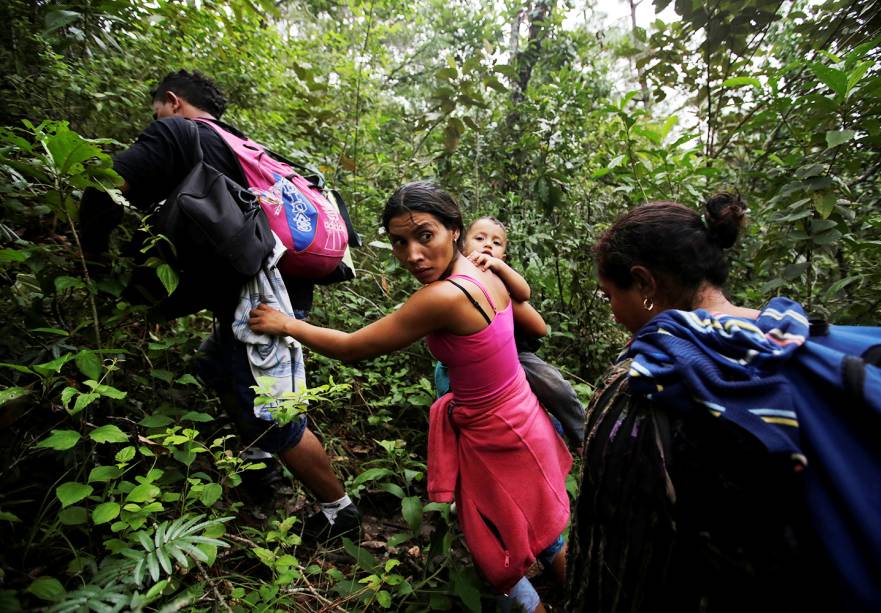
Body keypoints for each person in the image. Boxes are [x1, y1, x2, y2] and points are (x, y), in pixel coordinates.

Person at [249, 181, 572, 613]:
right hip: (523, 416)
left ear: (454, 230)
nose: (412, 256)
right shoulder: (486, 272)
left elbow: (352, 347)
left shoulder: (442, 296)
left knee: (497, 549)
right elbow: (531, 320)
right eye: (400, 242)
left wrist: (287, 324)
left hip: (494, 434)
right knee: (542, 529)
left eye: (425, 236)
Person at [79, 70, 360, 541]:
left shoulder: (179, 133)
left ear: (171, 102)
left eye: (157, 110)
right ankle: (259, 463)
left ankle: (339, 511)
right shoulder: (246, 146)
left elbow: (104, 189)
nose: (155, 120)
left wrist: (93, 259)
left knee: (277, 414)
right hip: (284, 291)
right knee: (214, 367)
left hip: (260, 301)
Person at [567, 195, 828, 612]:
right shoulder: (795, 343)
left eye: (609, 295)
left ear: (645, 283)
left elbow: (612, 554)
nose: (614, 312)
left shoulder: (644, 382)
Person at [434, 216, 585, 451]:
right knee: (451, 407)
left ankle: (581, 436)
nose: (487, 245)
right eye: (480, 238)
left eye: (496, 243)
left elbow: (525, 294)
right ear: (462, 246)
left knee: (554, 385)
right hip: (467, 363)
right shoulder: (452, 277)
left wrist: (499, 268)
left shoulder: (500, 278)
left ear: (503, 255)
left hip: (515, 353)